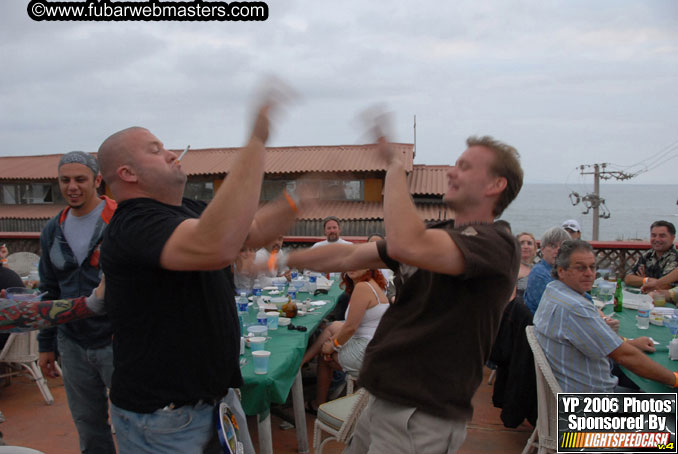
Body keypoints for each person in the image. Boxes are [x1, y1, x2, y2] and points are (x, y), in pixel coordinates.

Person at [269, 127, 523, 453]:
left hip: (420, 415)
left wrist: (393, 168)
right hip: (382, 398)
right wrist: (279, 259)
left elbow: (405, 242)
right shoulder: (439, 235)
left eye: (465, 166)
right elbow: (348, 254)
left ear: (495, 185)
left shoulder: (497, 245)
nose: (450, 172)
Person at [97, 96, 305, 454]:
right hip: (166, 420)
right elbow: (218, 247)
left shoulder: (185, 209)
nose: (170, 153)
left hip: (212, 403)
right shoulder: (134, 225)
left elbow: (249, 231)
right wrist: (255, 145)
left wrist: (298, 198)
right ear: (127, 173)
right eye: (155, 150)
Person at [37, 150, 117, 454]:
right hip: (72, 342)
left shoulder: (119, 220)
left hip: (117, 340)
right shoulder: (52, 230)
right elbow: (49, 289)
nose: (72, 186)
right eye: (65, 180)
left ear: (97, 180)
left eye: (80, 179)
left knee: (134, 418)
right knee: (88, 424)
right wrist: (46, 344)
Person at [533, 240, 678, 392]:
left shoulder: (552, 290)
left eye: (592, 267)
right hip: (593, 406)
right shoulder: (576, 308)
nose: (589, 273)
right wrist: (674, 379)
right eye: (580, 268)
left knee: (634, 382)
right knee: (669, 406)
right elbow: (625, 356)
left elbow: (603, 341)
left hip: (568, 387)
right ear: (561, 271)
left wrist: (631, 343)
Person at [301, 268, 388, 409]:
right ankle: (301, 363)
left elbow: (350, 328)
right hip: (375, 345)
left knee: (325, 356)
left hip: (365, 352)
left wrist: (332, 346)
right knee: (332, 327)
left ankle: (318, 404)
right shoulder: (371, 284)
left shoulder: (362, 287)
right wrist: (332, 342)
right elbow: (350, 326)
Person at [524, 227, 571, 314]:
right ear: (542, 249)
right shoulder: (539, 273)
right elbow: (556, 307)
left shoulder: (566, 271)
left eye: (562, 247)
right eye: (553, 246)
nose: (558, 250)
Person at [625, 220, 678, 290]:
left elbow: (666, 287)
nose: (657, 239)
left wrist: (640, 280)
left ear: (672, 238)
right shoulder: (647, 255)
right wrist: (646, 280)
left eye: (662, 236)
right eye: (653, 235)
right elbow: (628, 279)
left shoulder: (675, 258)